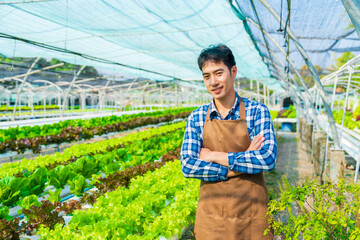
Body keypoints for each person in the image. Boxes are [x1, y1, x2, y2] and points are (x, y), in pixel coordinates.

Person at [180, 44, 277, 240]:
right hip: (212, 215)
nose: (213, 82)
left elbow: (267, 158)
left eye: (218, 73)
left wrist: (213, 156)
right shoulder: (197, 117)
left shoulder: (257, 111)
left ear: (233, 71)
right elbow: (188, 166)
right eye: (207, 76)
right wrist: (239, 163)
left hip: (251, 212)